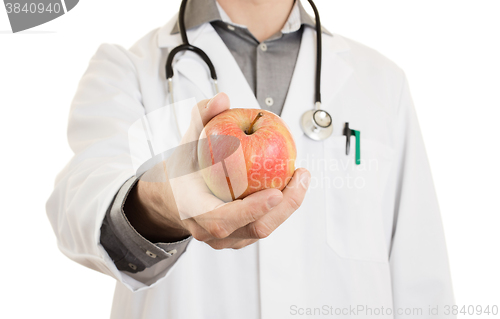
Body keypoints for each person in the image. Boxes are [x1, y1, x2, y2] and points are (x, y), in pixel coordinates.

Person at [46, 0, 455, 318]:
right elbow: (81, 202)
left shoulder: (382, 83)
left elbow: (422, 277)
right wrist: (160, 205)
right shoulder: (127, 71)